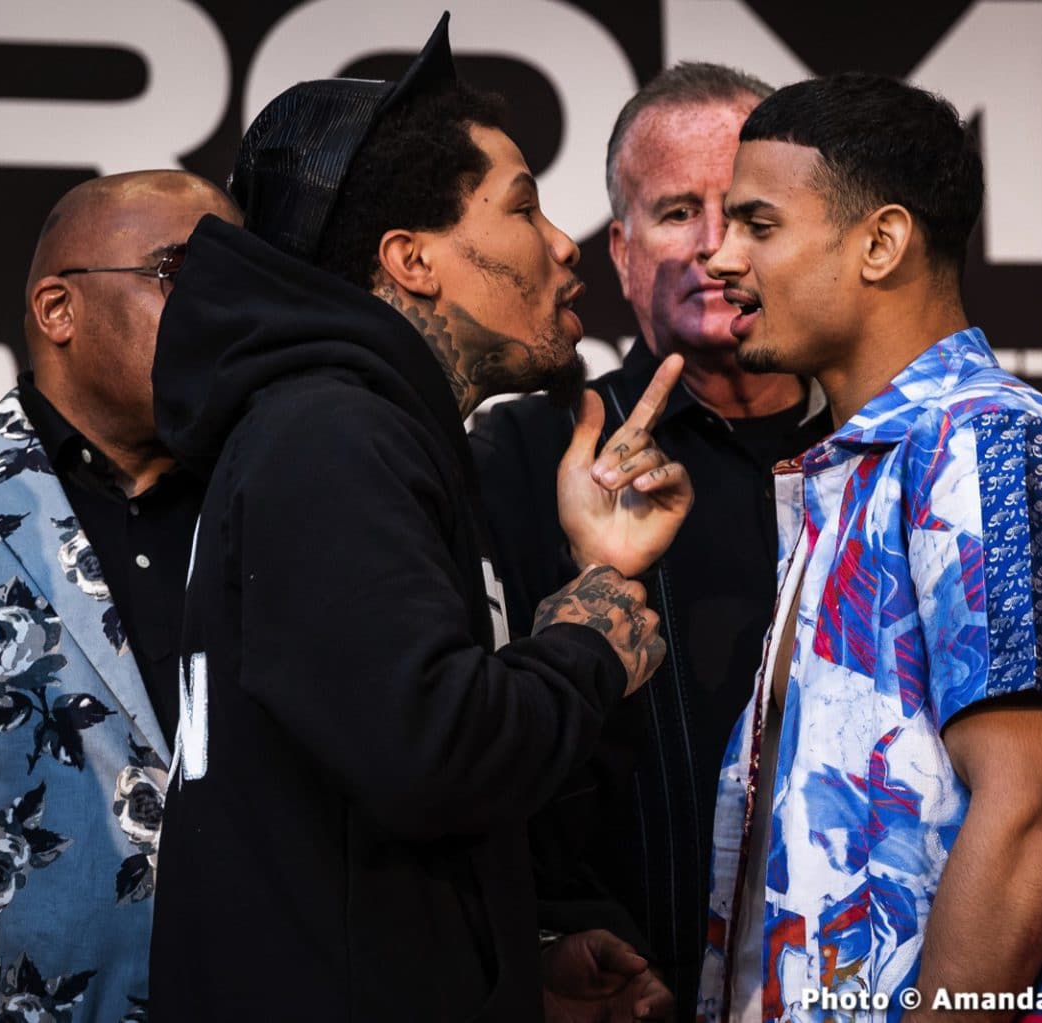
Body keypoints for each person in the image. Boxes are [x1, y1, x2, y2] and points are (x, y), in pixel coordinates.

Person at [146, 16, 687, 1022]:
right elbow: (432, 750)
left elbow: (363, 804)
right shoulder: (333, 434)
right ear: (410, 260)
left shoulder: (365, 431)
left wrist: (513, 963)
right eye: (522, 206)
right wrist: (591, 635)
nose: (564, 245)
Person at [696, 73, 1042, 1021]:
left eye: (759, 224)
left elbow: (1031, 812)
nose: (720, 256)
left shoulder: (992, 448)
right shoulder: (863, 469)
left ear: (881, 242)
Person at [472, 63, 828, 1018]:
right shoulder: (526, 450)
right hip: (618, 986)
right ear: (622, 252)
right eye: (678, 213)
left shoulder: (891, 454)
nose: (718, 250)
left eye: (753, 216)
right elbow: (474, 744)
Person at [0, 171, 239, 1019]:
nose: (228, 313)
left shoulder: (279, 509)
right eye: (180, 274)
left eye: (246, 284)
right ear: (58, 309)